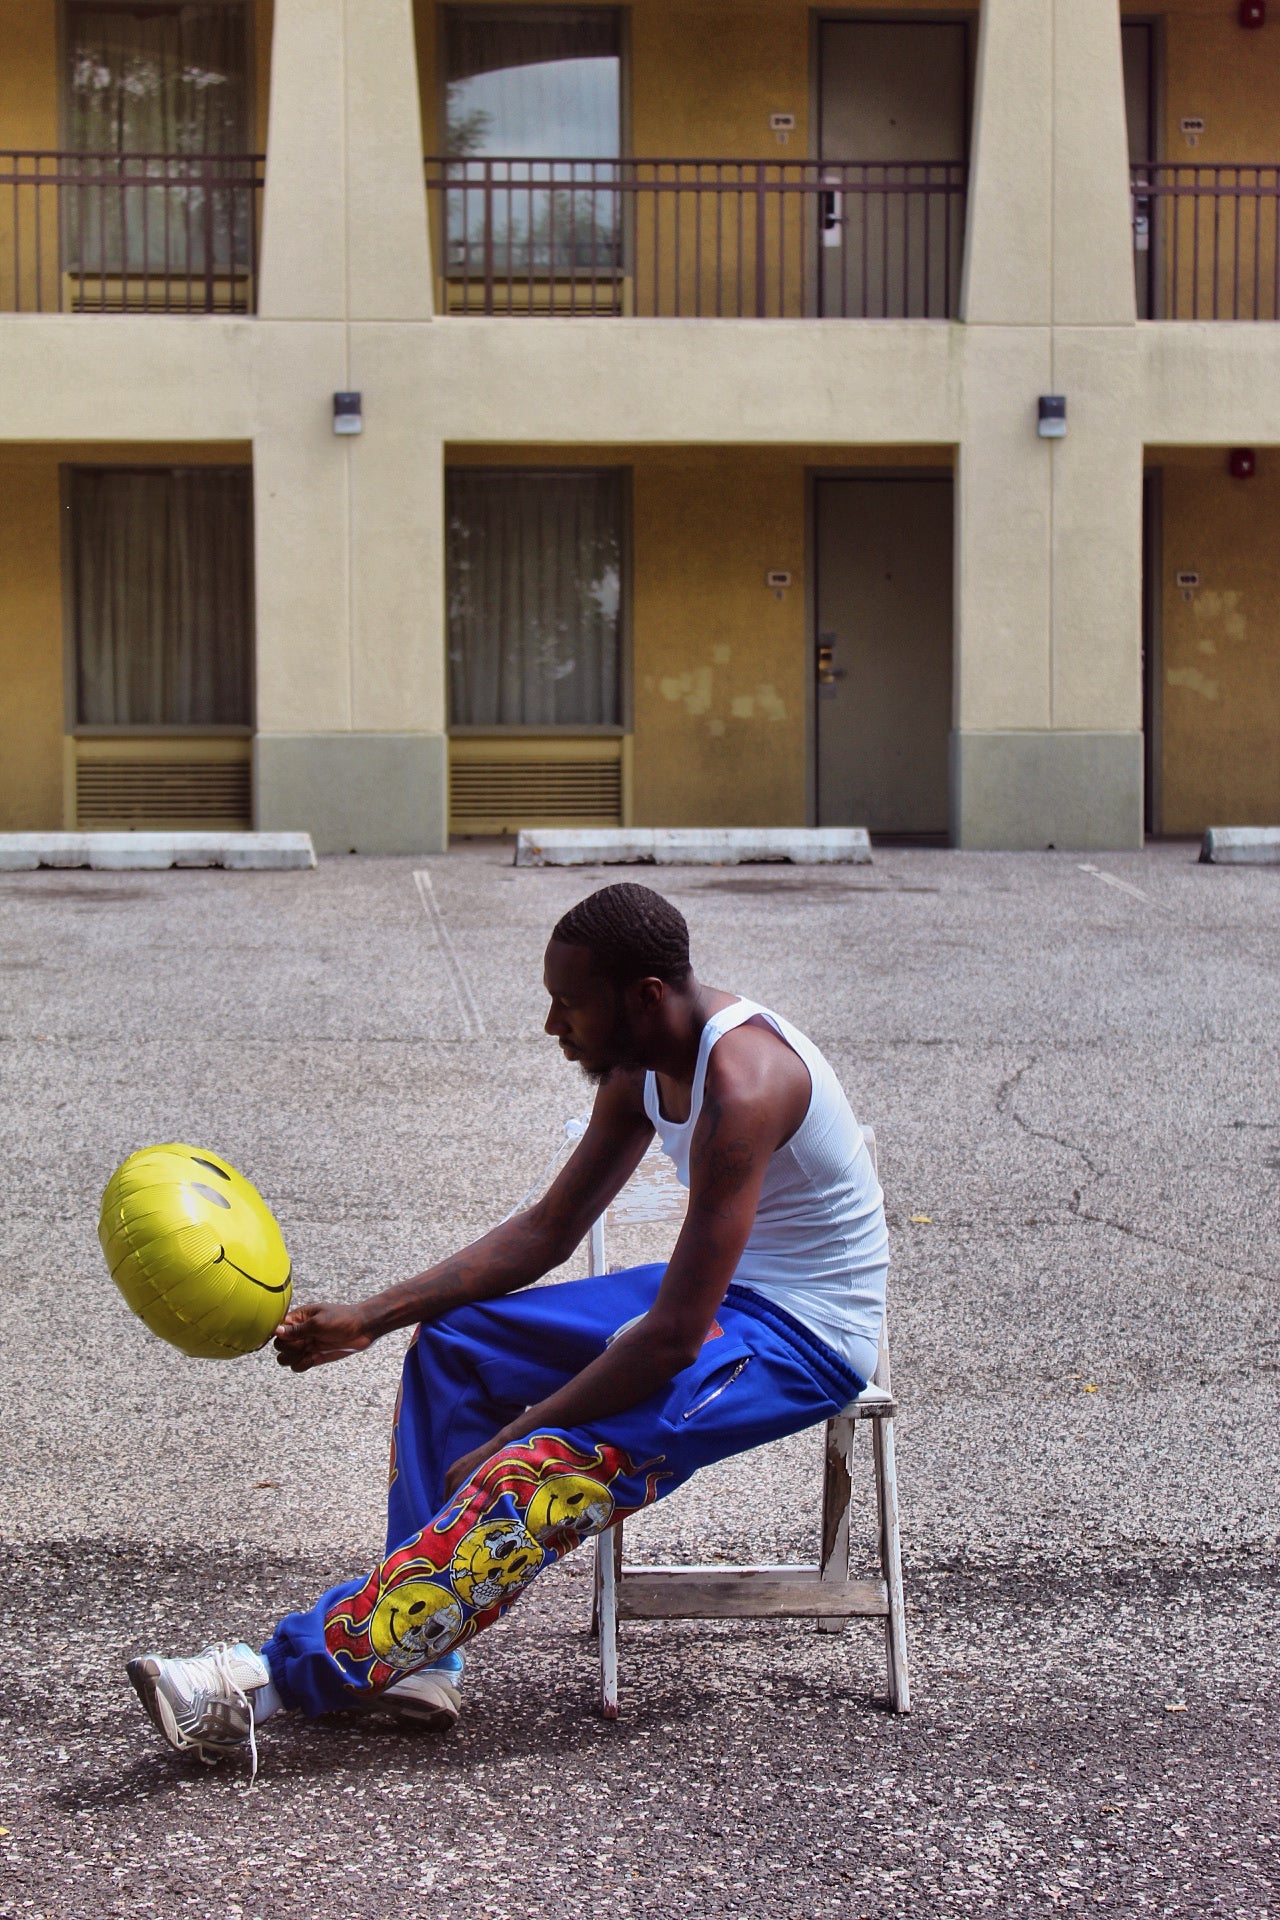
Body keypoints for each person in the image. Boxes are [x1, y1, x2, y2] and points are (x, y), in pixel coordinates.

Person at [127, 882, 888, 1771]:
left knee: (541, 1473)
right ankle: (421, 1655)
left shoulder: (746, 1084)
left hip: (802, 1338)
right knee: (457, 1346)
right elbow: (546, 1231)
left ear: (642, 997)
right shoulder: (644, 1064)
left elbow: (673, 1339)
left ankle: (263, 1680)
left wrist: (523, 1432)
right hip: (723, 1300)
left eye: (569, 1003)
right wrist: (370, 1318)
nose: (551, 1025)